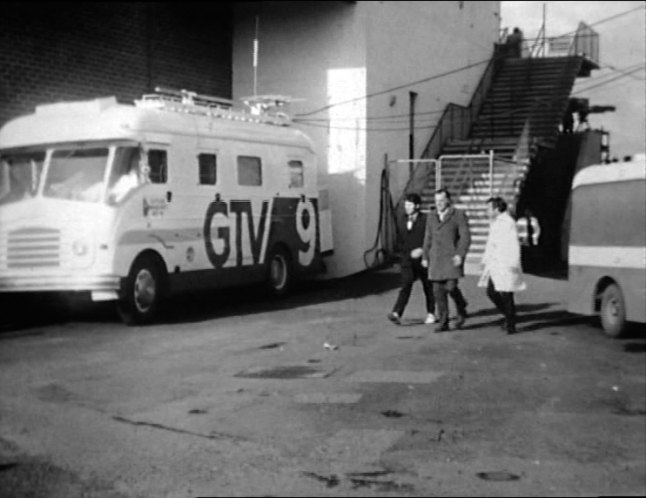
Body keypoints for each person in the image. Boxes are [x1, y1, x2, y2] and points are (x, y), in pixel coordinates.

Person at [421, 188, 471, 332]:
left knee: (450, 287)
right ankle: (443, 321)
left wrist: (460, 254)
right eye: (436, 201)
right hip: (436, 258)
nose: (439, 204)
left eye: (442, 200)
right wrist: (425, 256)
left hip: (451, 258)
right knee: (438, 291)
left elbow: (465, 237)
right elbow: (427, 237)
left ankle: (461, 307)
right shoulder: (431, 216)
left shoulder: (458, 215)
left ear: (448, 200)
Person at [478, 197, 526, 335]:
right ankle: (509, 316)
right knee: (492, 292)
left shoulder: (507, 222)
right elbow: (490, 243)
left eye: (489, 208)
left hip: (506, 263)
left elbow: (513, 244)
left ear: (497, 209)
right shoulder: (495, 222)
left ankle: (511, 324)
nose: (487, 211)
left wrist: (513, 263)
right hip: (495, 263)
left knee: (506, 293)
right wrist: (485, 260)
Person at [387, 193, 436, 325]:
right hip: (407, 259)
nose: (407, 207)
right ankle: (397, 312)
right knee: (406, 283)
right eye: (405, 205)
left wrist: (423, 250)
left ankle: (431, 312)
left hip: (423, 258)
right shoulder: (401, 219)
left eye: (409, 205)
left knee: (428, 286)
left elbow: (432, 238)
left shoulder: (425, 219)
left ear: (417, 206)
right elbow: (400, 239)